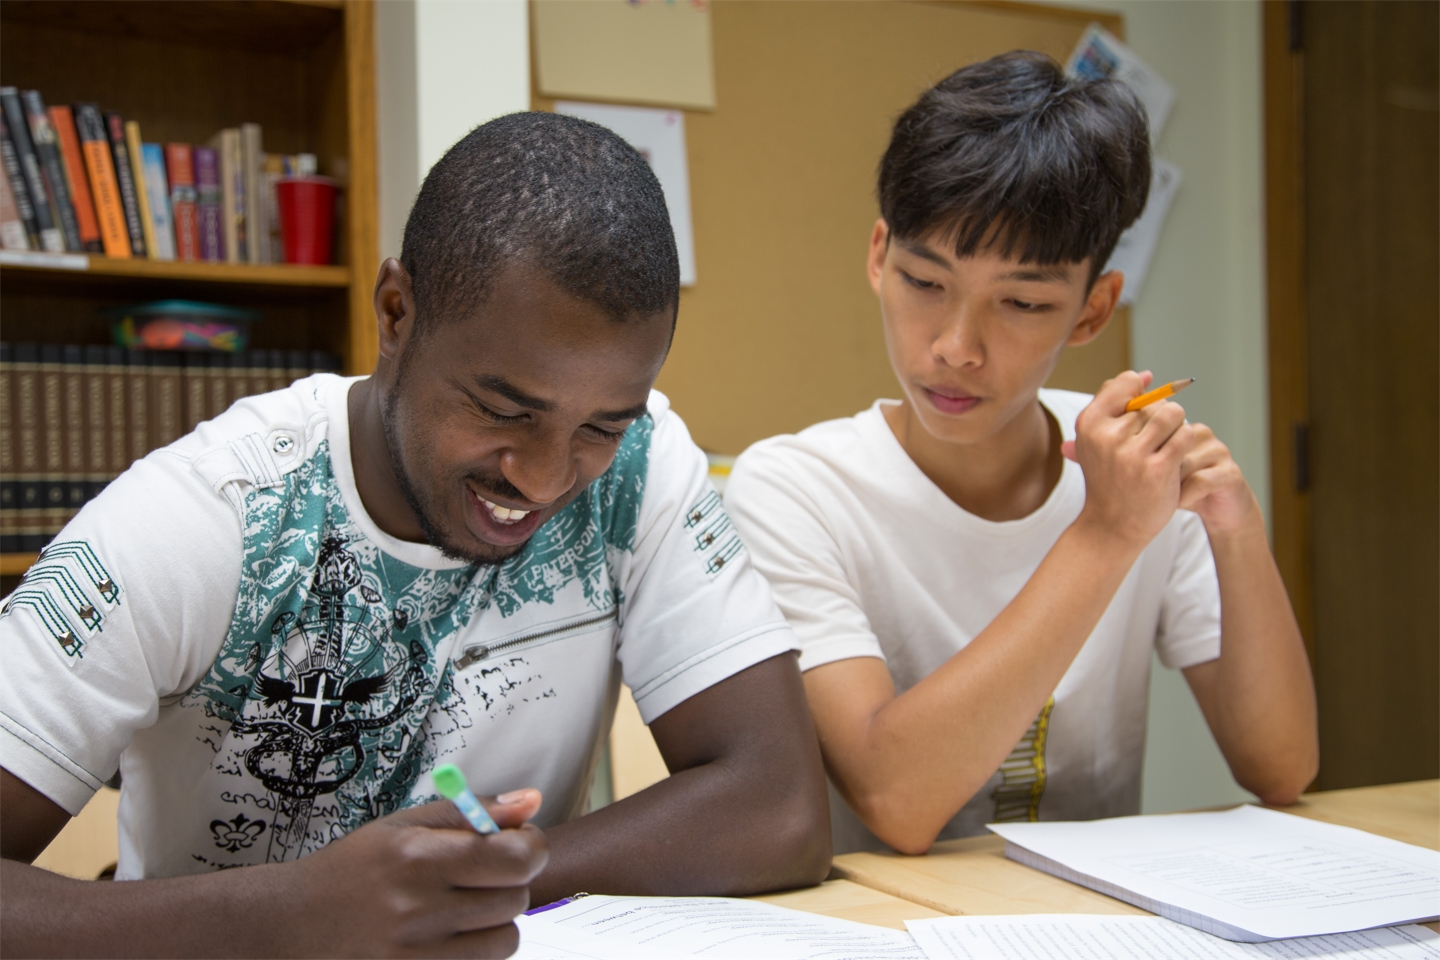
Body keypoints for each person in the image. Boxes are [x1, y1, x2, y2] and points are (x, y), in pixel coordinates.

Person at [0, 113, 830, 957]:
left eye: (599, 427)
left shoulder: (643, 461)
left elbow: (780, 805)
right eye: (505, 411)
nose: (544, 478)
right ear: (397, 313)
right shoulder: (211, 515)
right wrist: (293, 915)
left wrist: (447, 895)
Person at [725, 52, 1318, 857]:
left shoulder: (1131, 471)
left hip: (1093, 926)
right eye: (924, 282)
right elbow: (895, 801)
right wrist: (1106, 536)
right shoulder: (795, 488)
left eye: (1022, 302)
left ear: (1091, 310)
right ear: (877, 256)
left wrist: (1235, 527)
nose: (956, 347)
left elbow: (1281, 769)